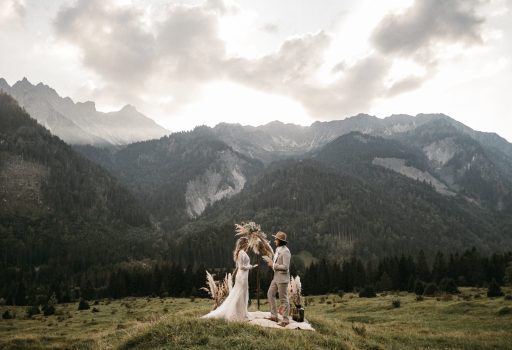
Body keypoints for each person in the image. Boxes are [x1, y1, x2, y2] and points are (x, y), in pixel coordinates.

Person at [202, 237, 257, 321]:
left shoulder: (241, 252)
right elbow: (241, 267)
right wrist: (251, 266)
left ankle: (241, 312)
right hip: (242, 276)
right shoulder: (241, 253)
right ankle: (239, 314)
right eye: (247, 243)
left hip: (243, 276)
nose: (248, 245)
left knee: (241, 294)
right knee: (240, 294)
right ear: (244, 243)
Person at [266, 231, 291, 327]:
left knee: (283, 299)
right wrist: (272, 263)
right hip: (276, 277)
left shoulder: (286, 252)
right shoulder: (278, 249)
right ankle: (274, 316)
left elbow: (286, 267)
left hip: (283, 279)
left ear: (280, 241)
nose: (275, 240)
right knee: (270, 294)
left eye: (276, 239)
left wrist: (273, 265)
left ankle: (285, 320)